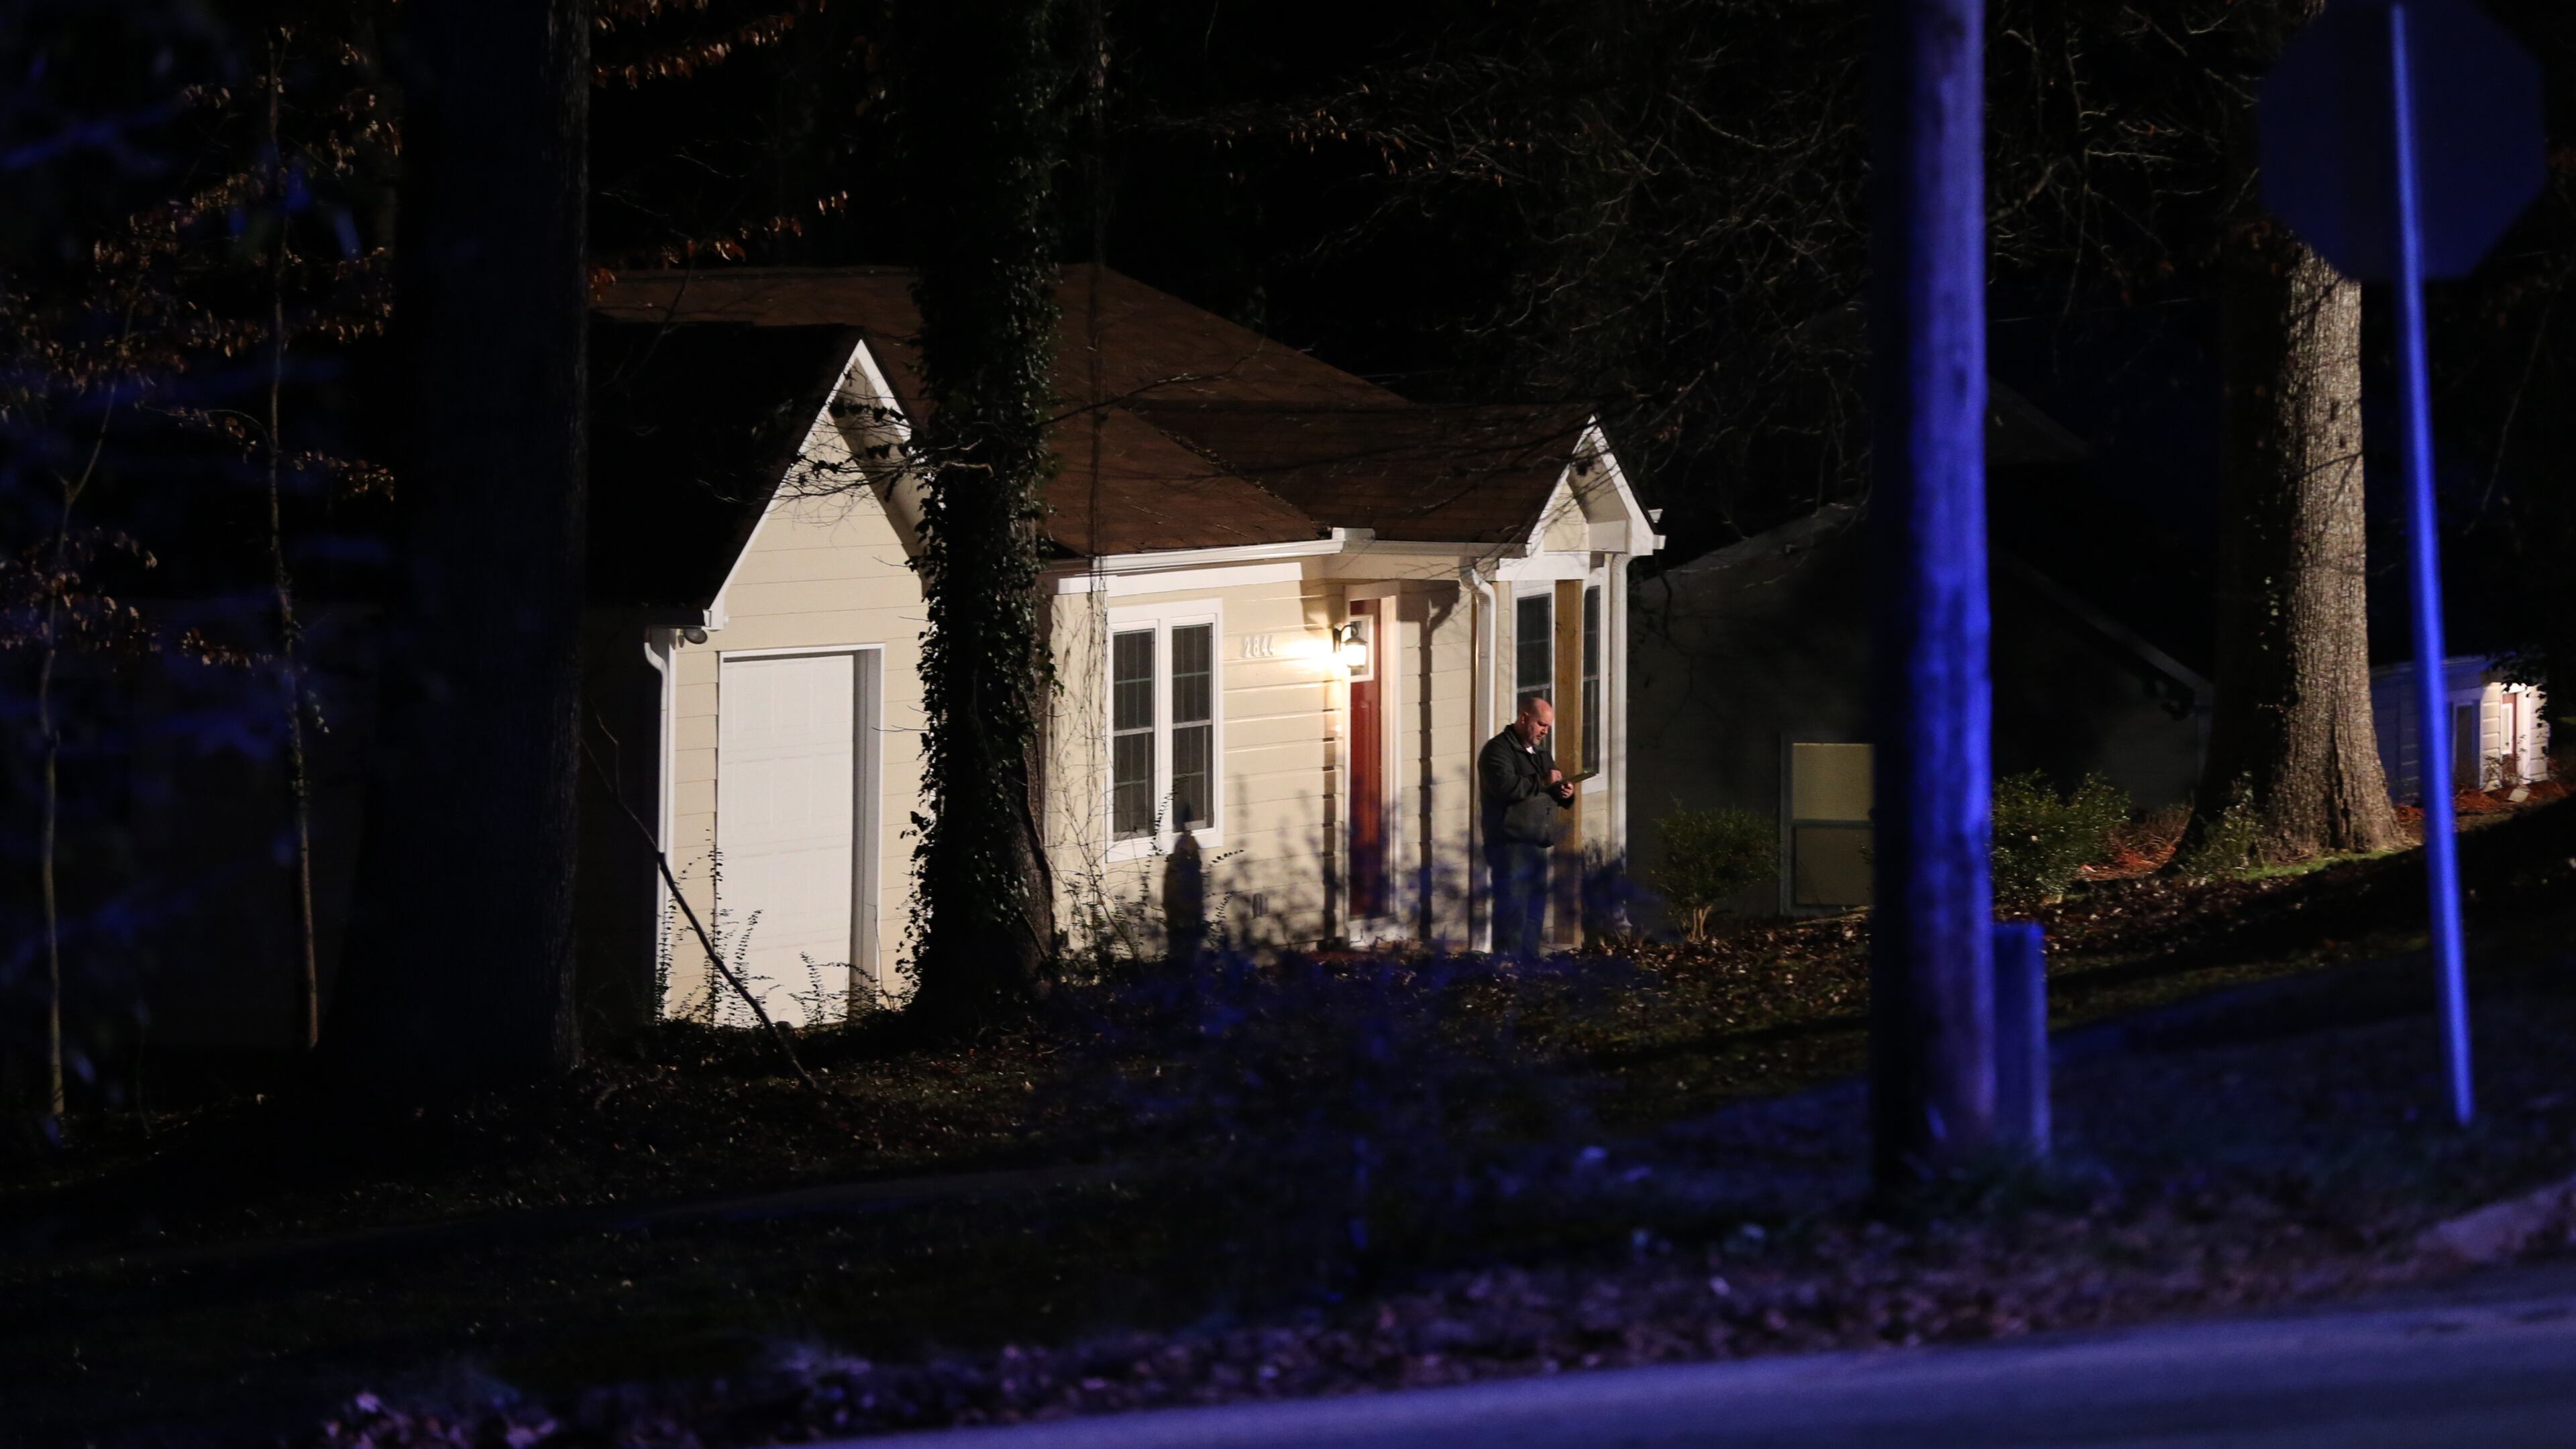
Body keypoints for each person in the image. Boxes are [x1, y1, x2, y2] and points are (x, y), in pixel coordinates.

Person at [1478, 694, 1576, 955]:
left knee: (1534, 912)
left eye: (1548, 727)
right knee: (1513, 912)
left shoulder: (1541, 753)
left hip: (1537, 841)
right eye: (1542, 724)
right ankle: (1506, 968)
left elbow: (1550, 787)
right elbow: (1505, 787)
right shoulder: (1498, 751)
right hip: (1510, 843)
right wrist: (1543, 782)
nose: (1545, 731)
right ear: (1524, 718)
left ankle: (1529, 968)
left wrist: (1565, 793)